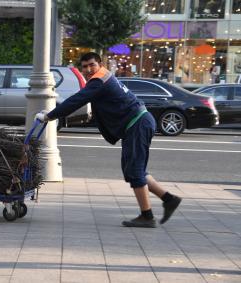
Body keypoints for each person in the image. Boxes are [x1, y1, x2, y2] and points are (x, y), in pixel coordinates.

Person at [35, 52, 182, 228]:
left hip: (137, 124)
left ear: (100, 64)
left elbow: (76, 100)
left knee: (135, 171)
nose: (88, 69)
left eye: (92, 65)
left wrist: (50, 116)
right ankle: (169, 199)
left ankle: (147, 216)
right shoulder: (103, 77)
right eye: (84, 66)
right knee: (133, 170)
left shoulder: (99, 81)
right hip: (137, 124)